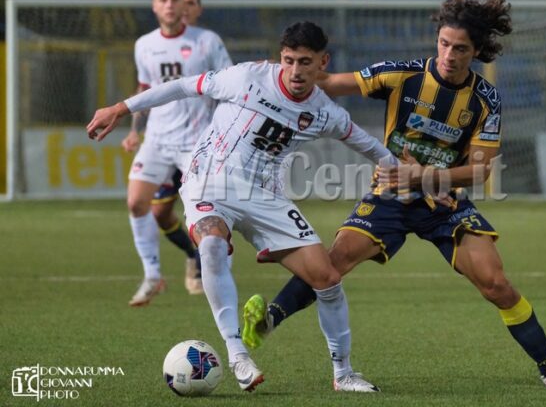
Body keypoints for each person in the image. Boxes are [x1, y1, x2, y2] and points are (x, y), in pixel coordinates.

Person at [242, 0, 546, 392]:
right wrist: (279, 72)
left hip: (446, 204)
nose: (449, 54)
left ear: (476, 52)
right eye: (443, 43)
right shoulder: (402, 75)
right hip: (389, 198)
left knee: (496, 285)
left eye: (460, 49)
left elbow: (479, 171)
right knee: (332, 265)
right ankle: (268, 321)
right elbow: (330, 82)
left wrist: (423, 177)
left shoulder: (486, 100)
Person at [87, 21, 392, 393]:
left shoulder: (326, 113)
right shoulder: (246, 77)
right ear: (281, 57)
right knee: (212, 245)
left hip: (265, 195)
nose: (295, 71)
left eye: (305, 62)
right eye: (289, 60)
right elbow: (183, 86)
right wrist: (121, 107)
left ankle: (343, 375)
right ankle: (237, 353)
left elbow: (373, 148)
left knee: (326, 278)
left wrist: (418, 179)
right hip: (209, 179)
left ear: (322, 62)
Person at [119, 0, 232, 306]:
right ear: (154, 6)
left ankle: (213, 272)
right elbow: (145, 90)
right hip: (157, 138)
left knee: (205, 212)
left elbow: (228, 86)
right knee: (136, 203)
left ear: (186, 7)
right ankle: (152, 275)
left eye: (175, 0)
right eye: (163, 0)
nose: (169, 5)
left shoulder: (207, 41)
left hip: (197, 143)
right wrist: (134, 129)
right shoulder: (144, 45)